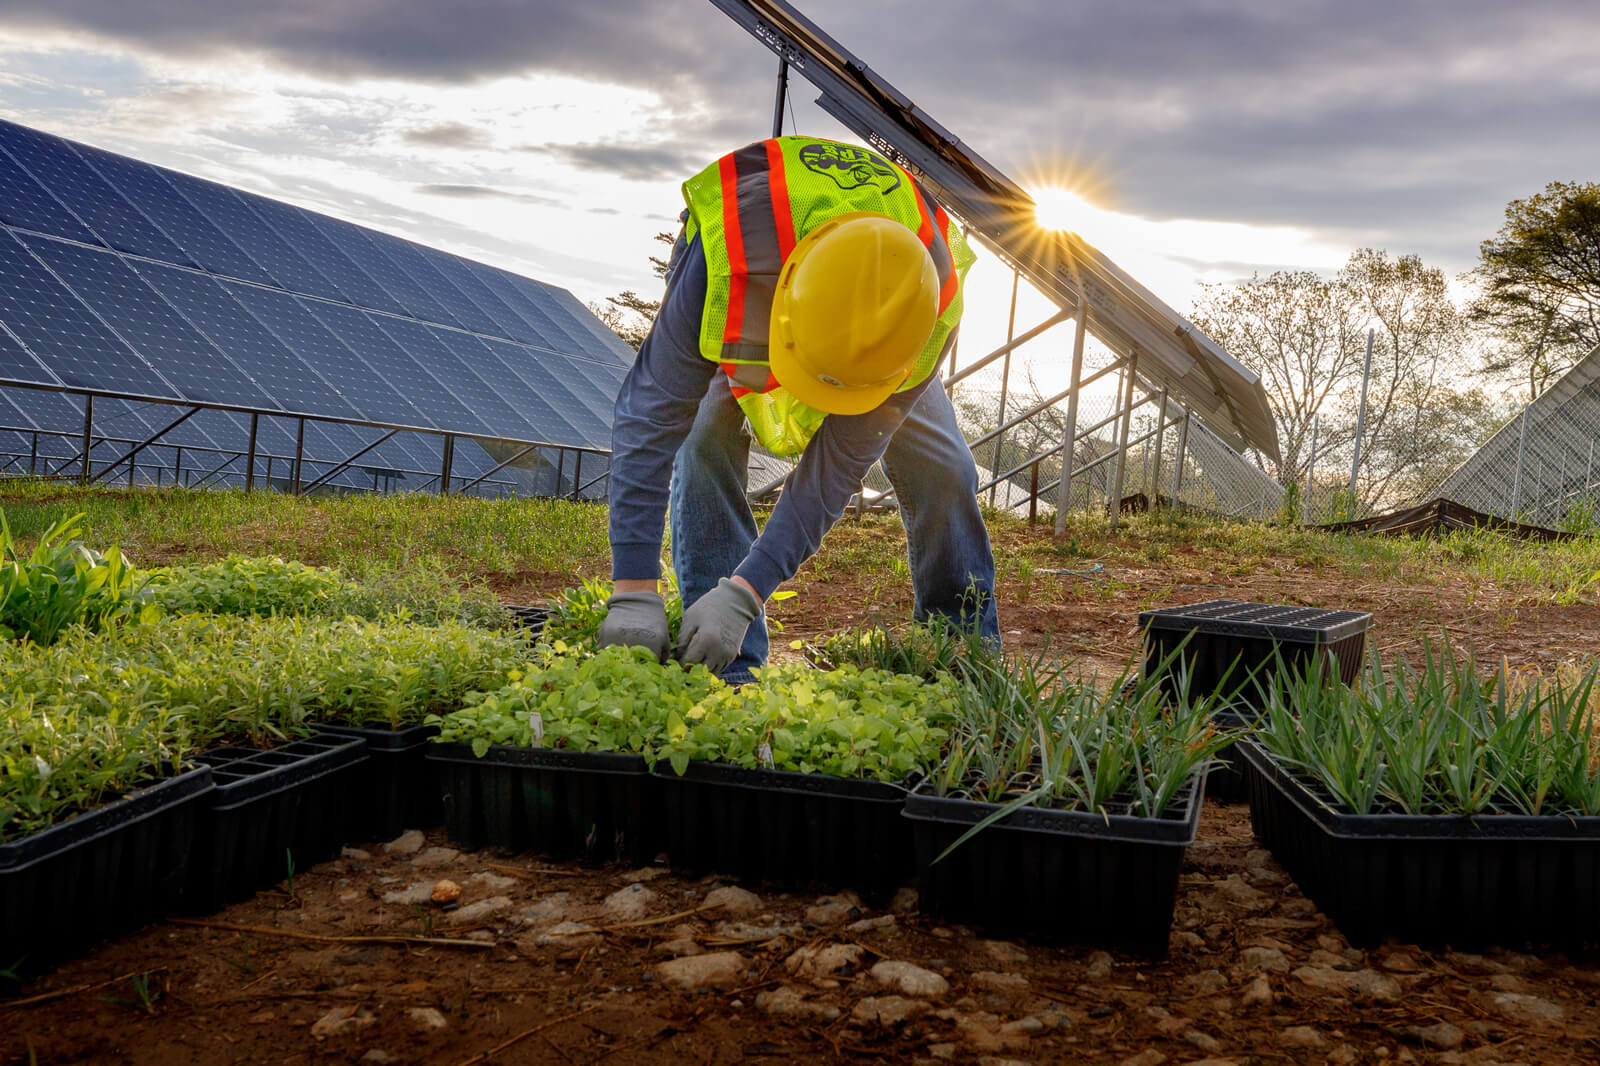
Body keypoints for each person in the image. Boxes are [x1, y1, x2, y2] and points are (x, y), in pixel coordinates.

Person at [598, 135, 998, 681]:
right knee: (703, 436)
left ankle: (962, 651)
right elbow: (651, 413)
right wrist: (633, 586)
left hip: (874, 329)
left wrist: (747, 591)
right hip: (760, 274)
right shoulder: (727, 266)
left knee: (944, 465)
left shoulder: (926, 306)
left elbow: (830, 476)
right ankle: (722, 664)